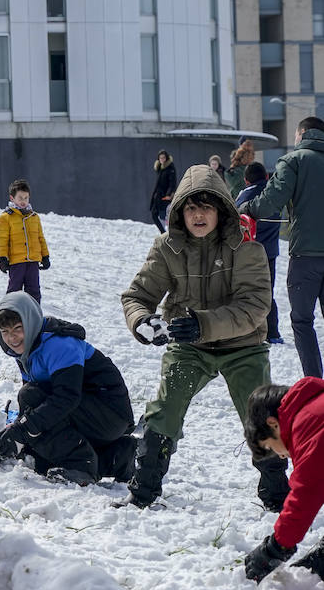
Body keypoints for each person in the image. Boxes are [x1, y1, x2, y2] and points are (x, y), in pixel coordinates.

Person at [120, 164, 289, 510]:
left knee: (262, 415)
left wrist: (204, 323)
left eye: (206, 207)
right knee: (165, 409)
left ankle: (277, 493)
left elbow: (255, 305)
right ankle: (143, 491)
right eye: (191, 207)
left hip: (243, 345)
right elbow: (136, 296)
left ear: (221, 209)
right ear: (180, 211)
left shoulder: (246, 247)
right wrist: (141, 322)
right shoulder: (167, 247)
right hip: (189, 345)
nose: (198, 215)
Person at [0, 292, 136, 485]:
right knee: (40, 455)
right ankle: (117, 457)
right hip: (92, 417)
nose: (12, 337)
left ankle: (81, 465)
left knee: (31, 398)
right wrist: (19, 427)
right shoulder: (28, 348)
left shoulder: (59, 344)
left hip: (109, 416)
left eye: (18, 328)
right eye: (5, 332)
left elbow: (66, 397)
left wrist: (23, 429)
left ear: (31, 323)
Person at [239, 116, 324, 378]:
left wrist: (245, 209)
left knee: (302, 321)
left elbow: (270, 201)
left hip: (306, 257)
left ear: (302, 134)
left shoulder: (294, 161)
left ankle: (315, 386)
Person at [243, 379, 324, 583]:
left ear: (273, 423)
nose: (280, 455)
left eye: (270, 446)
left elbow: (305, 494)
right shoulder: (313, 408)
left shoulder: (308, 425)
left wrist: (275, 548)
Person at [235, 161, 284, 344]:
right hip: (271, 251)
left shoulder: (245, 196)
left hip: (250, 252)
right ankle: (273, 333)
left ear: (246, 180)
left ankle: (249, 331)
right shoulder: (275, 193)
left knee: (249, 292)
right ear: (266, 177)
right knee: (268, 291)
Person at [0, 179, 51, 303]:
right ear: (12, 198)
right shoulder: (5, 218)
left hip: (33, 262)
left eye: (26, 198)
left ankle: (34, 317)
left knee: (34, 291)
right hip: (16, 262)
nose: (23, 201)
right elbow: (2, 240)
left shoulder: (34, 217)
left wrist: (45, 256)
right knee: (14, 291)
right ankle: (11, 316)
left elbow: (41, 238)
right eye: (20, 198)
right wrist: (2, 258)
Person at [150, 150, 177, 233]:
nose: (162, 159)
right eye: (160, 158)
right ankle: (163, 233)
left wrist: (168, 194)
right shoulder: (160, 168)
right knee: (155, 214)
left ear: (166, 158)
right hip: (158, 196)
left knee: (164, 216)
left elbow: (172, 183)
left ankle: (169, 233)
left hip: (165, 196)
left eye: (163, 158)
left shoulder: (170, 168)